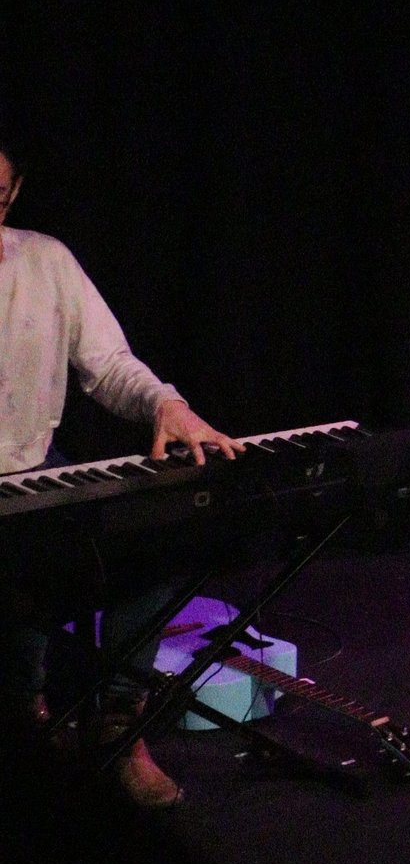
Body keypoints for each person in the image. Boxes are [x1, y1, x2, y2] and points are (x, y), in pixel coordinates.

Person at [0, 139, 237, 805]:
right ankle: (24, 721)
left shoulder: (46, 260)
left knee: (151, 540)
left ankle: (118, 720)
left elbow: (108, 365)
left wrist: (169, 402)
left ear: (13, 194)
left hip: (32, 477)